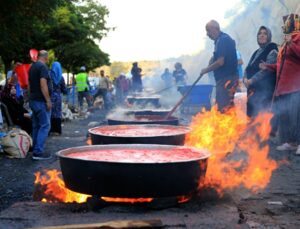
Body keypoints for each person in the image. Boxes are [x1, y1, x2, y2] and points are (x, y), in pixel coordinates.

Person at [260, 14, 300, 154]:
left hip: (295, 86)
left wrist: (291, 44)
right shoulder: (285, 42)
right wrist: (268, 67)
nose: (284, 26)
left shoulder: (297, 38)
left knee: (296, 117)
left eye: (287, 23)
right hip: (283, 88)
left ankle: (297, 142)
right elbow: (281, 65)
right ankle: (290, 142)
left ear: (294, 24)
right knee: (287, 116)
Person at [200, 20, 238, 113]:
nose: (207, 34)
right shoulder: (224, 39)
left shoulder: (222, 40)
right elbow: (222, 56)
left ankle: (225, 128)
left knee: (223, 108)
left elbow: (220, 62)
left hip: (226, 79)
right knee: (228, 107)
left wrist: (206, 70)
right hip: (230, 78)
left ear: (215, 28)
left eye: (208, 30)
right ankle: (229, 127)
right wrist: (213, 59)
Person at [243, 26, 278, 118]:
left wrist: (251, 80)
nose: (261, 35)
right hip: (252, 92)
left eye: (265, 33)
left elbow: (267, 70)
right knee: (252, 118)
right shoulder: (256, 52)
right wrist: (245, 78)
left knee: (262, 119)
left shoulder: (272, 49)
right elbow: (247, 68)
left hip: (265, 92)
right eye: (259, 33)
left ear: (269, 36)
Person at [28, 50, 52, 160]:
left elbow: (29, 85)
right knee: (45, 125)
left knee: (36, 125)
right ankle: (38, 152)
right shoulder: (42, 67)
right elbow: (43, 85)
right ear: (46, 58)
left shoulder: (32, 67)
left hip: (33, 100)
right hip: (40, 101)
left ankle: (35, 149)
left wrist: (29, 98)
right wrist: (48, 100)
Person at [49, 61, 67, 135]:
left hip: (49, 96)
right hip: (58, 97)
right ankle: (57, 130)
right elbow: (64, 89)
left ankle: (50, 130)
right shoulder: (61, 77)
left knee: (50, 113)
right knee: (57, 113)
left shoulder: (49, 75)